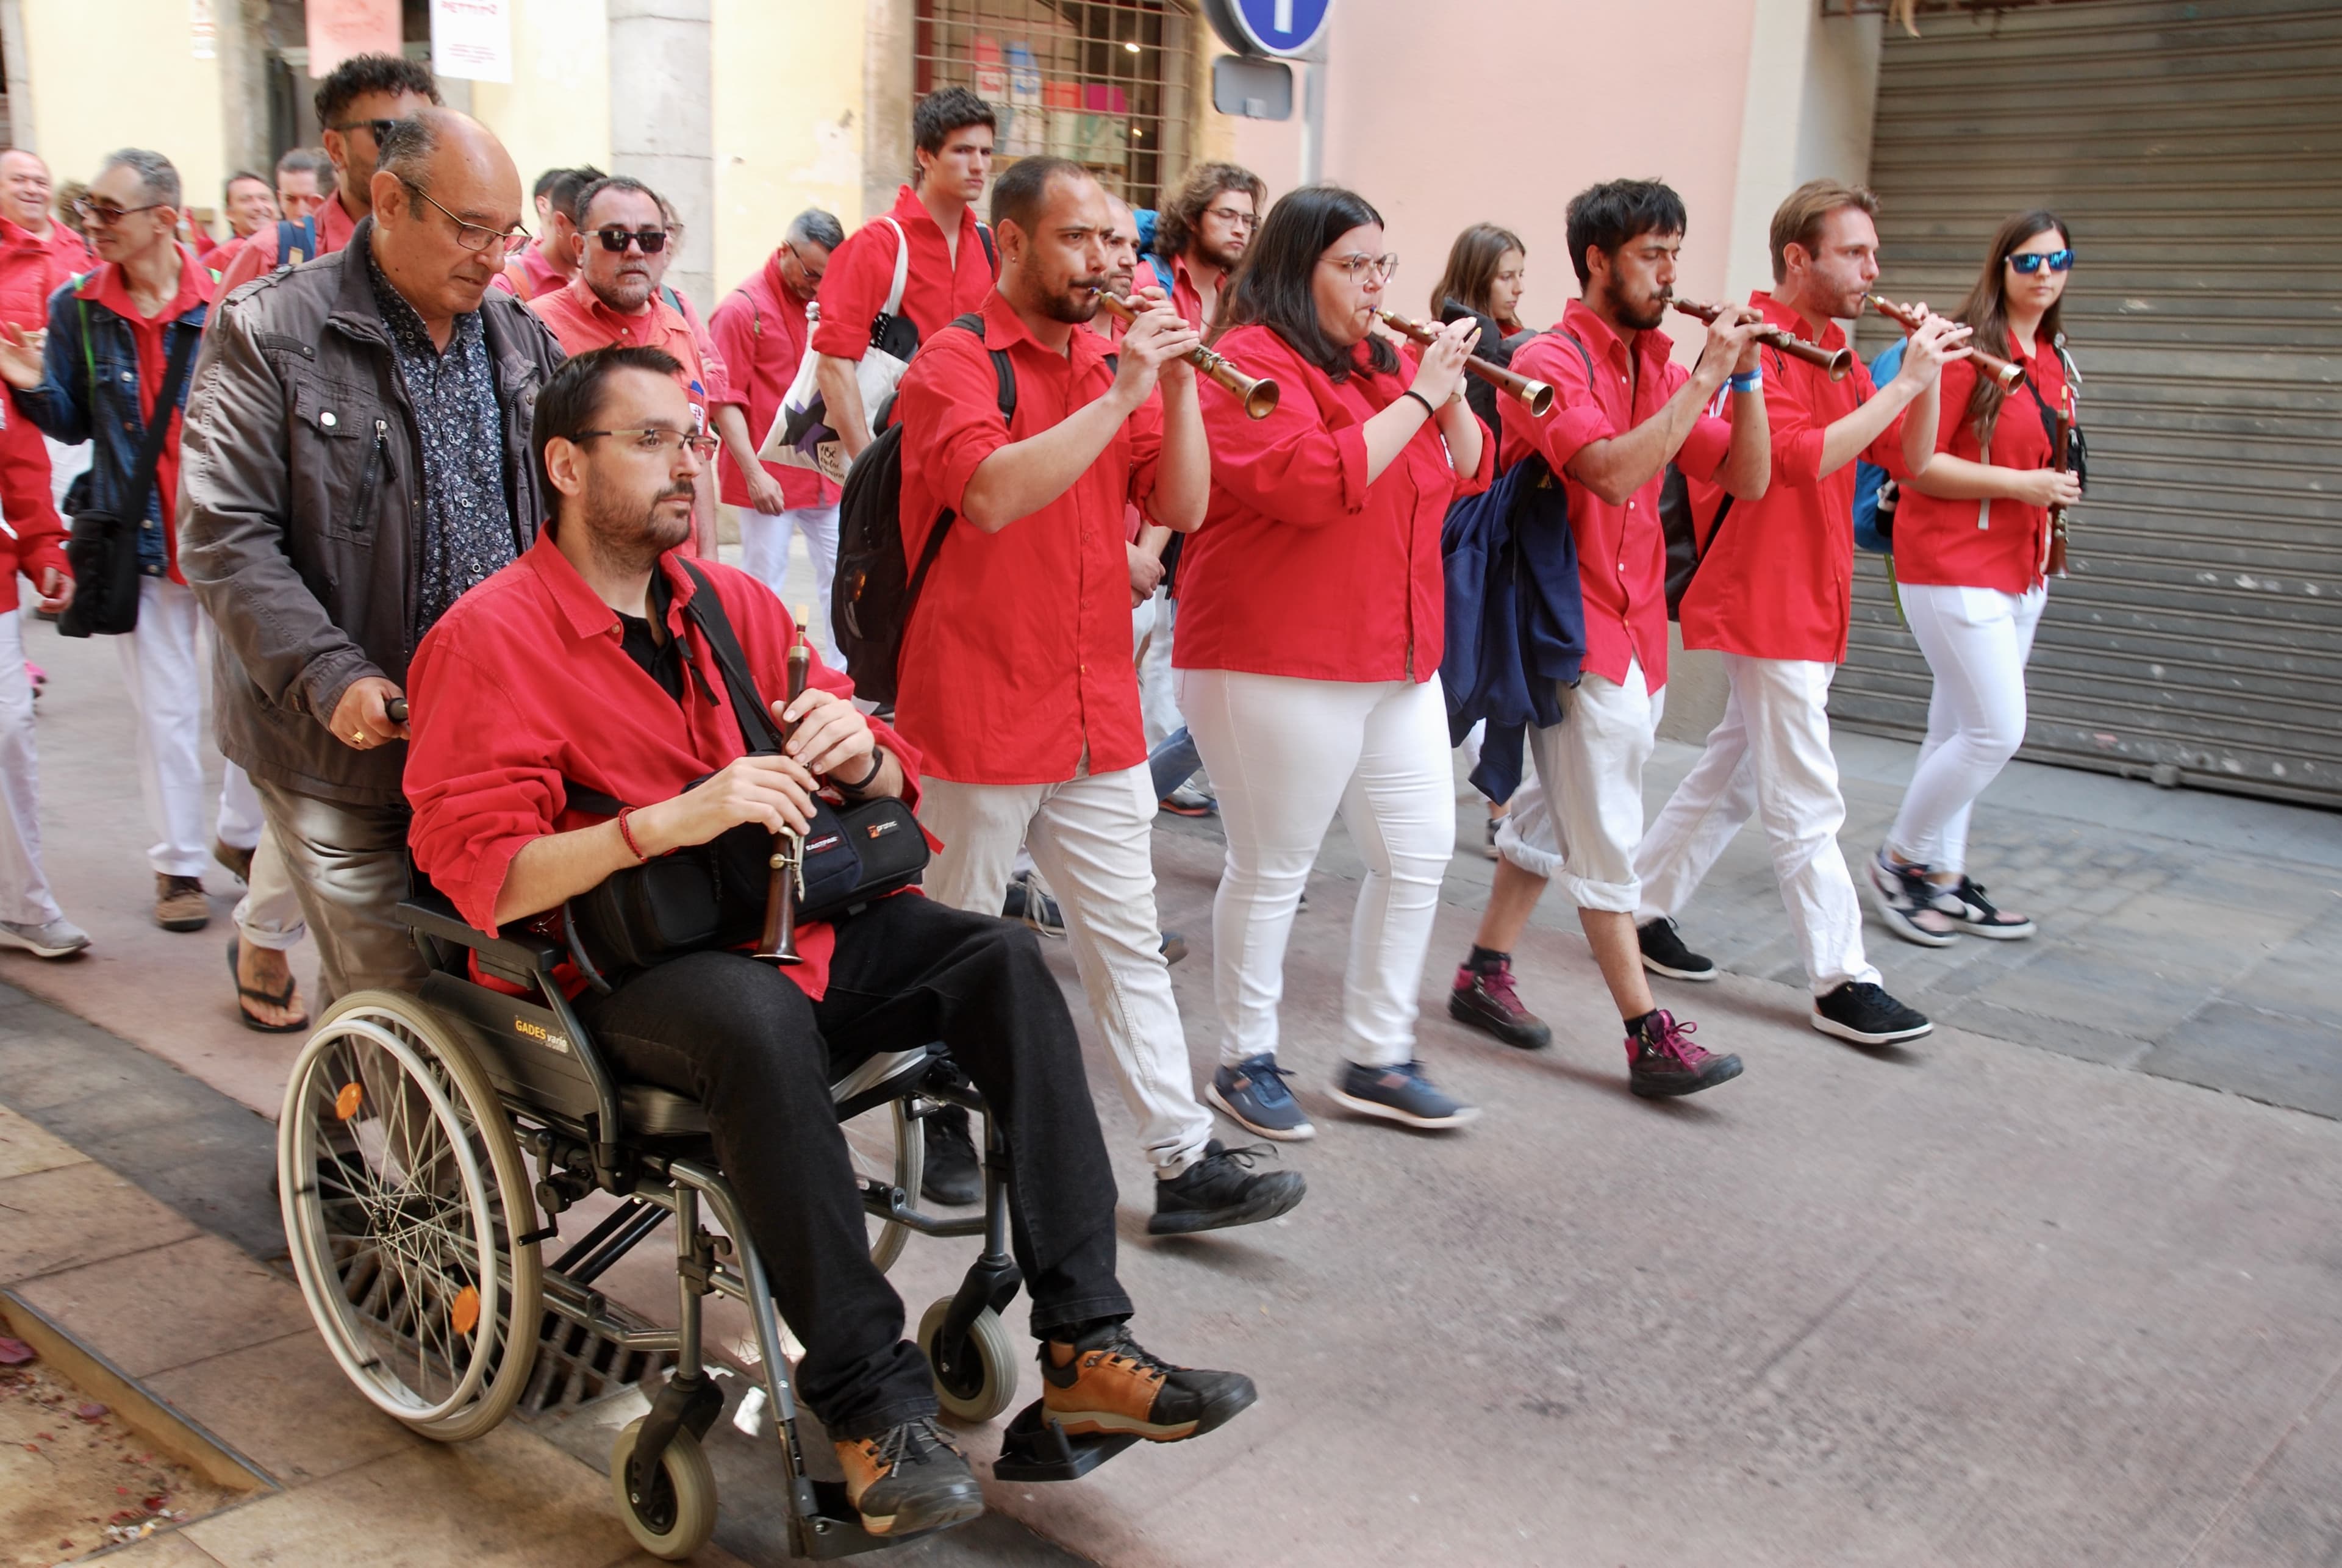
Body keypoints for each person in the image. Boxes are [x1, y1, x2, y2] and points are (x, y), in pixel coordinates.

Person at [406, 345, 1259, 1538]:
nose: (687, 463)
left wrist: (862, 754)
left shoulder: (732, 604)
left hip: (790, 924)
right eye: (650, 438)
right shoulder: (491, 636)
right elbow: (482, 877)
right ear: (564, 463)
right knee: (757, 1021)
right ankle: (869, 1404)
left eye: (694, 437)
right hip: (624, 974)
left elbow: (883, 771)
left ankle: (1087, 1348)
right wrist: (666, 821)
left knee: (1001, 957)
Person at [892, 156, 1303, 1235]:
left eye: (1119, 243)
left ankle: (1181, 1161)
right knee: (953, 935)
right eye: (1081, 241)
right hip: (979, 707)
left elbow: (1183, 503)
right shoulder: (955, 363)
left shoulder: (1108, 361)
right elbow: (987, 495)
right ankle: (933, 1112)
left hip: (1094, 707)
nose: (1107, 264)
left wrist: (1173, 385)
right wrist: (1123, 385)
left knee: (1126, 942)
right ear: (1013, 242)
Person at [179, 109, 563, 1011]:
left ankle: (372, 1134)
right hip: (339, 744)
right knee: (392, 990)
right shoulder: (269, 329)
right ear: (388, 200)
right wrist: (329, 669)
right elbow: (224, 531)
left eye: (509, 235)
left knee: (497, 996)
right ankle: (364, 1141)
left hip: (488, 738)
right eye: (472, 230)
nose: (495, 257)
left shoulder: (518, 336)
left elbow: (558, 515)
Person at [1175, 185, 1491, 1137]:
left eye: (1382, 265)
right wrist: (1421, 395)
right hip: (1275, 655)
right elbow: (1315, 481)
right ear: (1293, 269)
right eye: (1353, 265)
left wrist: (1451, 393)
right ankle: (1244, 1055)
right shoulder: (1245, 362)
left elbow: (1467, 468)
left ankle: (1379, 1055)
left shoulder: (1384, 364)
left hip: (1394, 655)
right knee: (1275, 863)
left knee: (1419, 855)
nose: (1374, 284)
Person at [1445, 179, 1769, 1098]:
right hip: (1568, 630)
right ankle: (1647, 1034)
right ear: (1596, 261)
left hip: (1640, 632)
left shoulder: (1661, 364)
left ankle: (1481, 971)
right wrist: (1707, 374)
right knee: (1607, 841)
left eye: (1677, 251)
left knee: (1559, 812)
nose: (1671, 274)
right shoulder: (1544, 359)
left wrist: (1742, 378)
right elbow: (1613, 474)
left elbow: (1746, 475)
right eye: (1650, 255)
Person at [1633, 178, 1969, 1047]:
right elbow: (1798, 460)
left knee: (1737, 771)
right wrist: (1901, 388)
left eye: (1872, 253)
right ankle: (1841, 977)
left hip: (1813, 591)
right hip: (1765, 594)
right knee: (1805, 793)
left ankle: (1639, 904)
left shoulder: (1839, 351)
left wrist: (1916, 374)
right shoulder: (1755, 344)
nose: (1872, 269)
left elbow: (1913, 456)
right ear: (1798, 257)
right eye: (1854, 253)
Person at [0, 151, 224, 934]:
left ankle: (245, 838)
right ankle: (179, 865)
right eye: (88, 208)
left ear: (165, 218)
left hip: (230, 540)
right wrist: (30, 379)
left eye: (109, 210)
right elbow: (69, 421)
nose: (92, 222)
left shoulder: (224, 303)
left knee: (246, 708)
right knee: (163, 713)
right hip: (139, 543)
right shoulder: (78, 307)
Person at [1869, 211, 2080, 947]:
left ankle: (1945, 877)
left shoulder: (2051, 356)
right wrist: (2023, 486)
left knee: (1957, 729)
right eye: (2029, 262)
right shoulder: (1966, 350)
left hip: (2022, 568)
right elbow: (1916, 462)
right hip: (1953, 563)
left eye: (2059, 260)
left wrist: (2047, 490)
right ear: (2001, 268)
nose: (2046, 275)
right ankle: (1899, 861)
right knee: (1996, 731)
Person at [527, 175, 747, 560]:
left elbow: (696, 456)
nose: (634, 251)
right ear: (580, 247)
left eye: (649, 239)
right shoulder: (535, 330)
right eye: (615, 238)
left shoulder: (679, 330)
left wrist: (708, 565)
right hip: (589, 579)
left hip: (677, 576)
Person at [1137, 162, 1266, 817]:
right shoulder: (1154, 282)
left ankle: (1148, 775)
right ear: (1193, 219)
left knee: (1164, 642)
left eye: (1248, 218)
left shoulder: (1239, 295)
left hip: (1197, 491)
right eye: (1227, 216)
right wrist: (1147, 536)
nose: (1241, 229)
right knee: (1130, 641)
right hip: (1141, 490)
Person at [811, 86, 997, 465]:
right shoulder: (877, 243)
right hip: (897, 453)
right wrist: (867, 467)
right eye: (962, 150)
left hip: (975, 446)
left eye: (986, 152)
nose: (978, 165)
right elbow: (833, 364)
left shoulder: (987, 243)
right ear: (925, 156)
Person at [707, 207, 843, 632]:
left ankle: (846, 678)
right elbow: (724, 401)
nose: (817, 285)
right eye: (811, 273)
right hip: (769, 477)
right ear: (785, 251)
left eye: (827, 276)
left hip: (826, 471)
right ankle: (755, 678)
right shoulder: (740, 310)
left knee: (844, 580)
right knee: (763, 585)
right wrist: (753, 475)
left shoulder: (824, 301)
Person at [212, 52, 442, 296]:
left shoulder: (457, 255)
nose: (412, 152)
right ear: (336, 148)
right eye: (389, 133)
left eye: (425, 136)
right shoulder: (270, 257)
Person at [501, 165, 601, 300]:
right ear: (560, 222)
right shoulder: (508, 284)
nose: (600, 245)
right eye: (588, 233)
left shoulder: (598, 279)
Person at [1430, 221, 1529, 337]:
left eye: (1520, 275)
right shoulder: (1427, 345)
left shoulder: (1519, 343)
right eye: (1506, 277)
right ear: (1476, 280)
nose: (1520, 289)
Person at [221, 172, 279, 240]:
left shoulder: (290, 246)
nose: (259, 207)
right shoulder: (227, 251)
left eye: (264, 199)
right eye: (246, 200)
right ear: (229, 214)